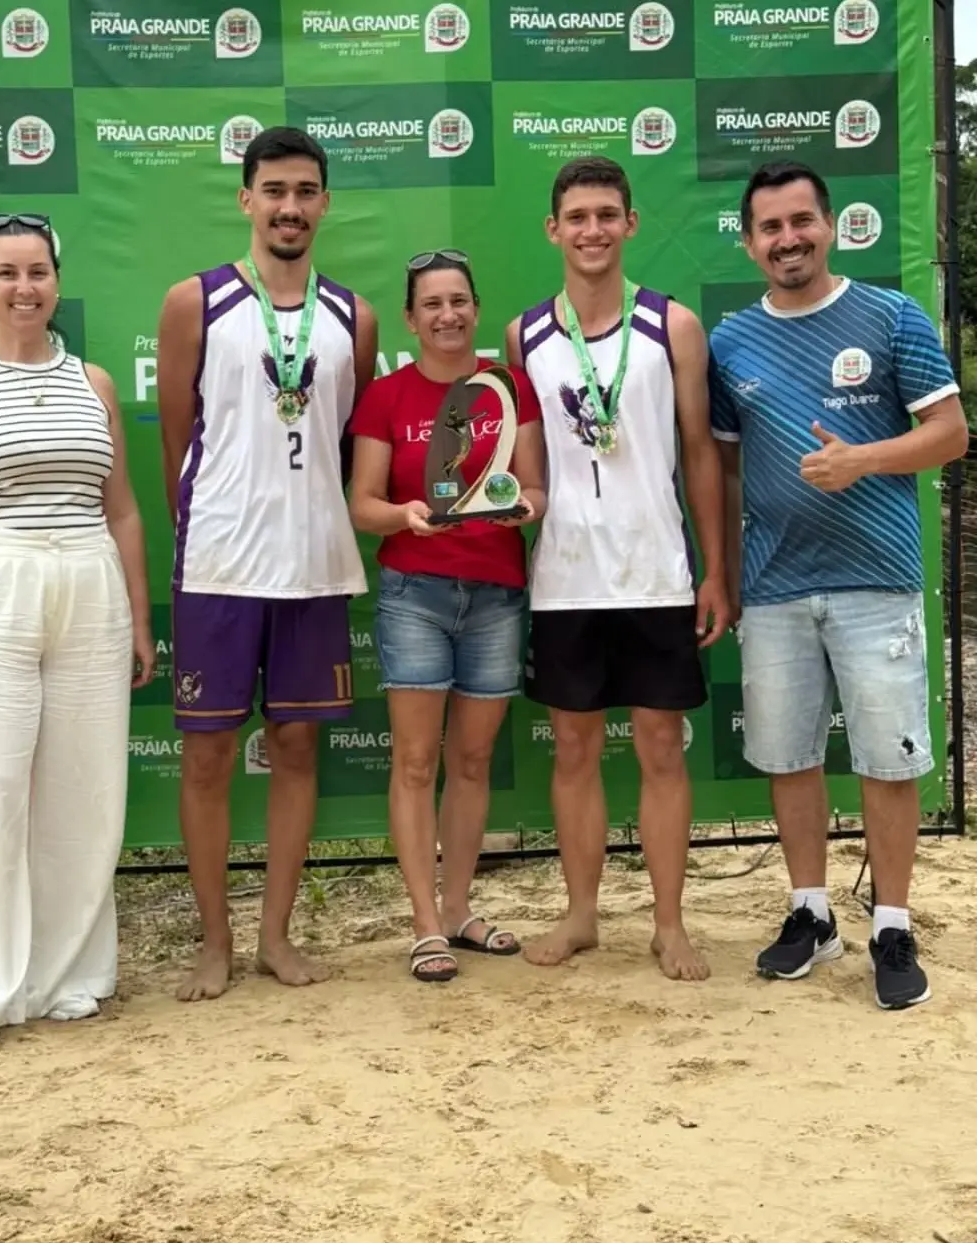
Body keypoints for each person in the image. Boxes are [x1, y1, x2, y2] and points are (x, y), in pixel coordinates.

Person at [708, 160, 968, 1010]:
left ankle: (892, 922)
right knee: (790, 756)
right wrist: (731, 570)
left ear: (831, 225)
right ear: (749, 243)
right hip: (776, 586)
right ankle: (810, 912)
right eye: (770, 227)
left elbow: (951, 433)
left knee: (888, 759)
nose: (788, 239)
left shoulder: (891, 315)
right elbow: (727, 466)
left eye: (800, 221)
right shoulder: (731, 340)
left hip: (877, 581)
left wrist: (864, 459)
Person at [0, 213, 154, 1045]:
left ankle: (67, 977)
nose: (24, 288)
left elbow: (121, 510)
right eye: (6, 273)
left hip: (90, 586)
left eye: (38, 272)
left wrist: (140, 618)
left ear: (57, 282)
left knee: (83, 794)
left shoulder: (96, 382)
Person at [156, 126, 379, 999]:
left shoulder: (350, 317)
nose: (291, 207)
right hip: (216, 565)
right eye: (274, 190)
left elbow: (344, 442)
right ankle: (214, 941)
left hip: (315, 566)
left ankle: (274, 937)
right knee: (207, 758)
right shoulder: (194, 302)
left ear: (325, 203)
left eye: (307, 191)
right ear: (246, 199)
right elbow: (182, 436)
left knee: (295, 749)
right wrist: (219, 513)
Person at [506, 156, 730, 980]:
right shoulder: (523, 336)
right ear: (553, 229)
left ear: (631, 224)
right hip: (565, 576)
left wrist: (714, 570)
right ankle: (582, 914)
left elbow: (701, 454)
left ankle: (669, 923)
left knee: (662, 748)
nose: (592, 228)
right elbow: (525, 467)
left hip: (656, 571)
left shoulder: (672, 326)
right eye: (577, 215)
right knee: (572, 749)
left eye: (608, 213)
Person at [348, 250, 547, 982]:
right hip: (413, 593)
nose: (448, 315)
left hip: (495, 591)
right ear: (410, 318)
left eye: (459, 300)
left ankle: (459, 909)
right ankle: (424, 924)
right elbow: (361, 505)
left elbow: (536, 491)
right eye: (431, 304)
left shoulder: (507, 385)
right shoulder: (385, 397)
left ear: (475, 306)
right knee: (416, 761)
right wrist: (403, 514)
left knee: (469, 762)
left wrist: (524, 507)